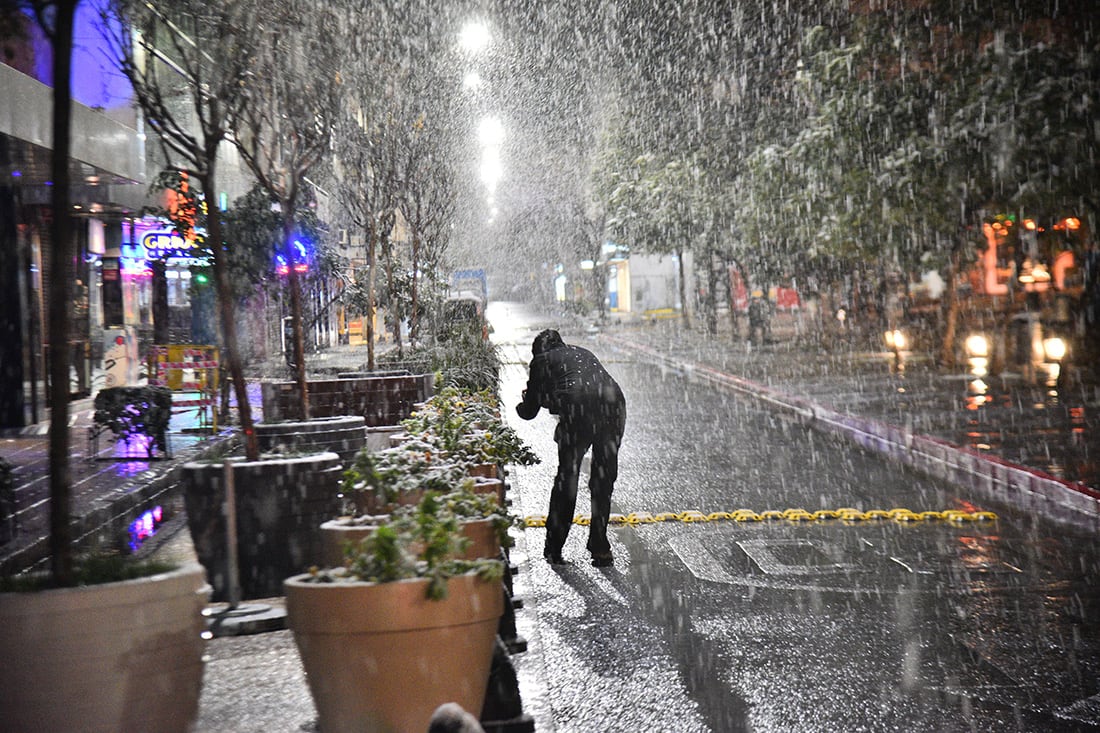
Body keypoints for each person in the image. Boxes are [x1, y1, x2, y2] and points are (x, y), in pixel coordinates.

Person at [516, 329, 626, 567]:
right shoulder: (580, 352)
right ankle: (600, 546)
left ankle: (554, 548)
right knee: (603, 479)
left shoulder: (541, 360)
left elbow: (529, 411)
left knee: (568, 475)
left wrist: (523, 402)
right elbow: (565, 389)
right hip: (614, 404)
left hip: (579, 409)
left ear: (539, 350)